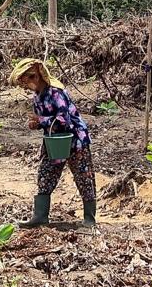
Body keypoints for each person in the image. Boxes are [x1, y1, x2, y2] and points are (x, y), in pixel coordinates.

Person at [10, 57, 97, 228]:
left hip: (74, 140)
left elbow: (64, 120)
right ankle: (40, 215)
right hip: (55, 141)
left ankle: (89, 219)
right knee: (46, 174)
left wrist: (41, 120)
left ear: (36, 77)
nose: (25, 86)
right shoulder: (38, 97)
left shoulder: (57, 93)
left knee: (83, 177)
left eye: (26, 82)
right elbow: (46, 122)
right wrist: (35, 124)